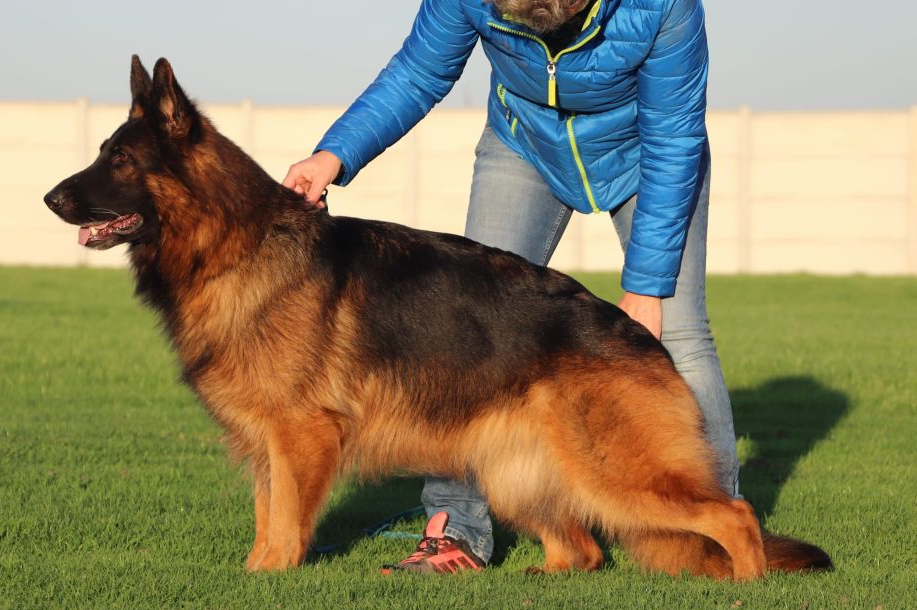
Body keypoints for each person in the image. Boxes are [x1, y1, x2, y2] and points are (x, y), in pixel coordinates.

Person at [282, 0, 739, 573]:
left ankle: (719, 525)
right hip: (525, 144)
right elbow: (419, 72)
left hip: (645, 151)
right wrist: (335, 154)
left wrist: (646, 289)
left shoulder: (663, 6)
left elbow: (674, 137)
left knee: (682, 333)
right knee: (464, 335)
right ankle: (456, 528)